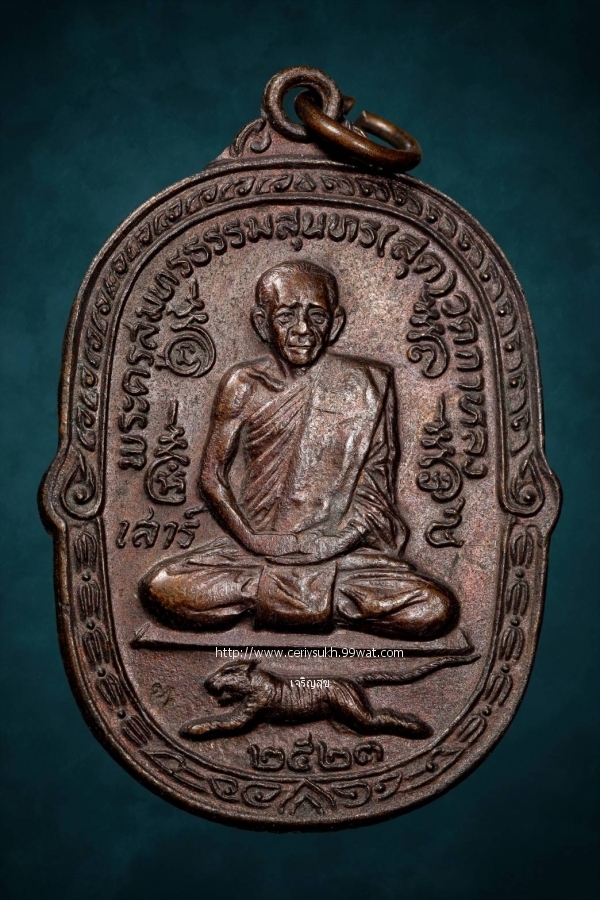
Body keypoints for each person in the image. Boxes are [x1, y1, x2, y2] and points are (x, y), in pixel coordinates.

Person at [140, 260, 458, 638]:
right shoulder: (244, 384)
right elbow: (211, 477)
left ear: (335, 324)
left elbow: (375, 493)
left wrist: (333, 543)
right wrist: (253, 539)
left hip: (340, 556)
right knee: (164, 588)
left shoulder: (369, 385)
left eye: (317, 317)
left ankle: (279, 598)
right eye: (286, 316)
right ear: (262, 324)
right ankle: (323, 603)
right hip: (254, 553)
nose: (303, 330)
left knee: (434, 607)